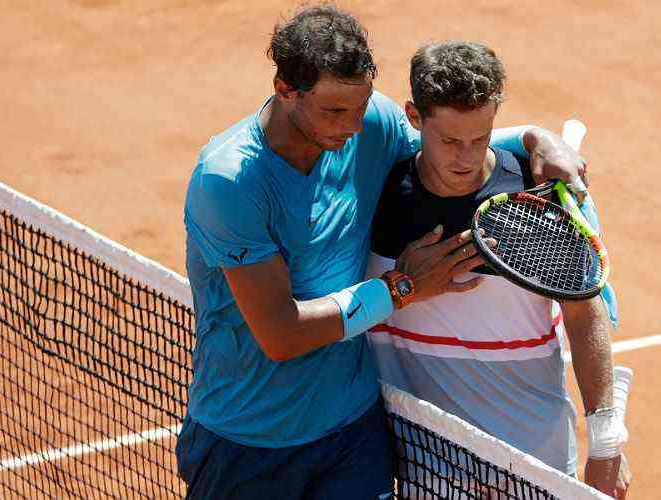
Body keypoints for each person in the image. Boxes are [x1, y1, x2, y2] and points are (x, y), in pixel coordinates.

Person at [179, 5, 587, 499]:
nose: (353, 126)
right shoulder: (230, 181)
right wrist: (401, 288)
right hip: (247, 438)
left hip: (353, 431)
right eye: (334, 111)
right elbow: (281, 334)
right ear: (286, 89)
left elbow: (445, 140)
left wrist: (533, 137)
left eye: (360, 107)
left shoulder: (367, 123)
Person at [367, 41, 629, 498]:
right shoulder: (378, 198)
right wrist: (405, 286)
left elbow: (583, 316)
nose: (465, 159)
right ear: (414, 117)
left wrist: (607, 444)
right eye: (449, 141)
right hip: (429, 462)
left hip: (535, 461)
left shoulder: (536, 198)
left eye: (480, 138)